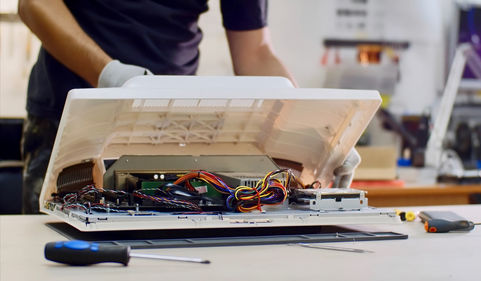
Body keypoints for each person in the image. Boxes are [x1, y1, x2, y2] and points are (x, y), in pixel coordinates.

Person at [18, 0, 360, 214]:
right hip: (75, 115)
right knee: (60, 246)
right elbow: (35, 3)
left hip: (169, 125)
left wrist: (315, 129)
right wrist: (110, 76)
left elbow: (254, 50)